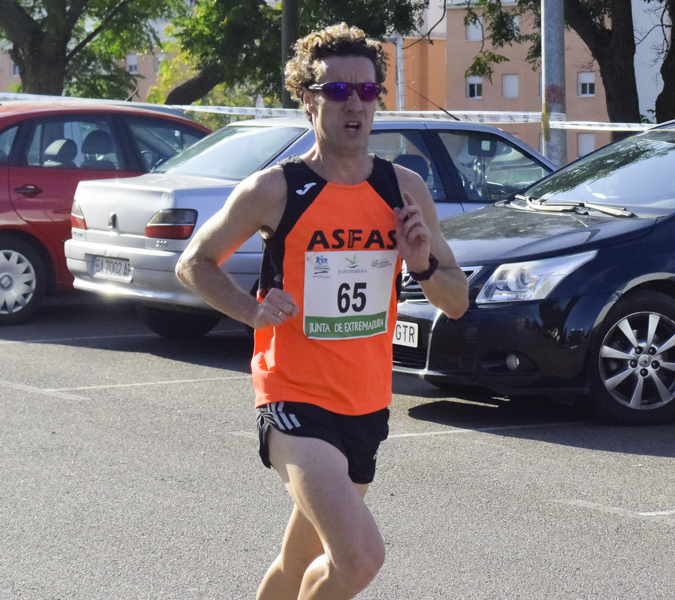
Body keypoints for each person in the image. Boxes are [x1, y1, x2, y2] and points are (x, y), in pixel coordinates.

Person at [175, 23, 469, 600]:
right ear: (308, 99)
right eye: (336, 92)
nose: (353, 103)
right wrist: (251, 311)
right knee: (359, 557)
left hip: (366, 403)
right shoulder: (275, 190)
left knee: (296, 565)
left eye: (366, 90)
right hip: (293, 399)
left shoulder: (403, 189)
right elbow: (195, 262)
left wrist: (424, 266)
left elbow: (456, 302)